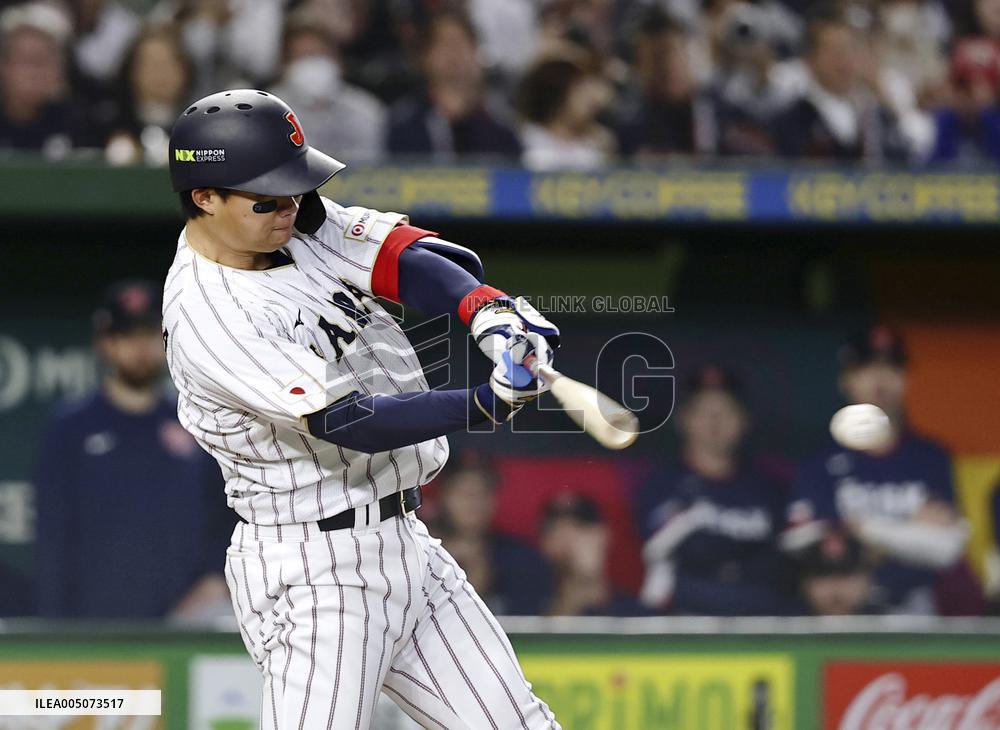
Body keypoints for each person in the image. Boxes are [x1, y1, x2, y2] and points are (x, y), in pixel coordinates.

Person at [164, 88, 560, 728]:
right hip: (314, 571)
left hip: (407, 544)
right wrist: (487, 403)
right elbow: (350, 422)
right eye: (268, 197)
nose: (290, 208)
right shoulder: (210, 314)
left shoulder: (288, 221)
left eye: (293, 189)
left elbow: (413, 259)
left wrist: (488, 312)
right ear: (204, 198)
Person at [33, 280, 233, 620]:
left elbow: (228, 510)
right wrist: (56, 625)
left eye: (151, 334)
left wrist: (217, 576)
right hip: (96, 623)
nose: (141, 347)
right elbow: (52, 539)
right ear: (105, 343)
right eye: (128, 335)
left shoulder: (197, 423)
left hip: (186, 622)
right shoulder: (71, 428)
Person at [785, 325, 974, 615]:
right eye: (866, 369)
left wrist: (865, 529)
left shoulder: (931, 457)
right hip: (842, 612)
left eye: (891, 368)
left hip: (912, 607)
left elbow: (946, 549)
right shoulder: (819, 462)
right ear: (846, 380)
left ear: (906, 380)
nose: (880, 380)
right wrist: (910, 528)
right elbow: (805, 545)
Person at [635, 366, 795, 616]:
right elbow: (659, 548)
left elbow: (781, 557)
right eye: (703, 412)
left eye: (725, 412)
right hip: (688, 613)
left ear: (744, 421)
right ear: (683, 420)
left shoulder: (767, 487)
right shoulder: (662, 484)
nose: (714, 422)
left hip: (760, 612)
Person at [770, 4, 910, 162]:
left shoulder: (874, 114)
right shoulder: (793, 119)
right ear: (810, 60)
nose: (844, 61)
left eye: (849, 49)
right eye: (833, 52)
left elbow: (905, 157)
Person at [386, 9, 521, 160]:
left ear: (476, 52)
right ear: (425, 55)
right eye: (444, 44)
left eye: (462, 43)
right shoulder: (404, 123)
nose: (454, 53)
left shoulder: (501, 124)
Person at [432, 464, 552, 616]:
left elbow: (534, 626)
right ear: (442, 498)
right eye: (463, 492)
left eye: (483, 492)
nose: (473, 501)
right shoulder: (423, 555)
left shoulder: (522, 559)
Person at [268, 11, 386, 163]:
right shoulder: (268, 113)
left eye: (318, 56)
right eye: (302, 57)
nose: (311, 66)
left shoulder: (367, 112)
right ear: (284, 67)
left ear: (339, 62)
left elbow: (372, 170)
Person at [0, 2, 100, 155]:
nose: (33, 73)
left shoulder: (81, 124)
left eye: (42, 61)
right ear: (4, 67)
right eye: (25, 60)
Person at [539, 492, 646, 617]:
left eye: (583, 526)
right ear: (544, 544)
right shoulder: (527, 611)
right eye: (558, 530)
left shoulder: (639, 616)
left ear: (605, 534)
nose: (573, 538)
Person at [104, 25, 194, 166]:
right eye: (151, 64)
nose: (160, 73)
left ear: (185, 69)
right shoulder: (108, 124)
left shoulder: (201, 128)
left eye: (168, 63)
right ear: (132, 71)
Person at [516, 48, 616, 170]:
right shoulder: (524, 140)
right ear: (558, 91)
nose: (591, 97)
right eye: (580, 88)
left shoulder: (598, 145)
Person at [798, 528, 879, 615]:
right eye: (825, 576)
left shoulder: (889, 620)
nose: (836, 589)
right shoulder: (787, 622)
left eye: (846, 576)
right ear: (806, 585)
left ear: (867, 582)